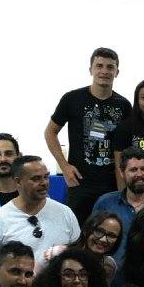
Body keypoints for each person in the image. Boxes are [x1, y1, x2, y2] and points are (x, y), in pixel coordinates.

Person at [45, 47, 131, 221]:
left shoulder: (124, 105)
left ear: (117, 72)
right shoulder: (71, 99)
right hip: (79, 182)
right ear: (90, 69)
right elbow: (50, 132)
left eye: (110, 67)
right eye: (99, 66)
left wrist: (124, 186)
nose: (104, 71)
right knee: (77, 231)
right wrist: (64, 166)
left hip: (111, 184)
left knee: (111, 230)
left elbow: (126, 148)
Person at [93, 148, 144, 270]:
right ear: (122, 173)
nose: (139, 174)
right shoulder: (105, 203)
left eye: (143, 169)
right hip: (113, 277)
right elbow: (92, 240)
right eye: (133, 170)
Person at [0, 155, 81, 259]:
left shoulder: (65, 213)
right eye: (36, 179)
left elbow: (78, 253)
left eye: (46, 177)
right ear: (18, 182)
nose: (44, 183)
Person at [39, 210, 122, 281]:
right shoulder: (57, 254)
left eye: (111, 236)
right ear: (86, 230)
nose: (103, 239)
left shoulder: (109, 266)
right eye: (99, 231)